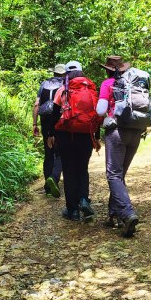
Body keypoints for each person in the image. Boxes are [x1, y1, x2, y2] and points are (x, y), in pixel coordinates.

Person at [47, 61, 101, 222]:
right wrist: (96, 137)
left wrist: (51, 134)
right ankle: (84, 199)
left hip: (65, 135)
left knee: (69, 172)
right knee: (82, 169)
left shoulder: (63, 89)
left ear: (67, 74)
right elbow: (96, 115)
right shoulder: (91, 90)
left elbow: (54, 113)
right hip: (85, 135)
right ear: (81, 72)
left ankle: (73, 210)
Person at [96, 56, 141, 238]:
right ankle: (112, 214)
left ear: (108, 69)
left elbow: (100, 110)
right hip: (136, 131)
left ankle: (126, 213)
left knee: (113, 174)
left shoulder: (108, 83)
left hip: (117, 132)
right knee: (119, 174)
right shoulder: (135, 82)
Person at [33, 64, 65, 198]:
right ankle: (54, 178)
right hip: (59, 118)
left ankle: (47, 188)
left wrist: (35, 123)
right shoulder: (65, 84)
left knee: (48, 151)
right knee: (60, 151)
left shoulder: (44, 84)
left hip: (45, 118)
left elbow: (36, 105)